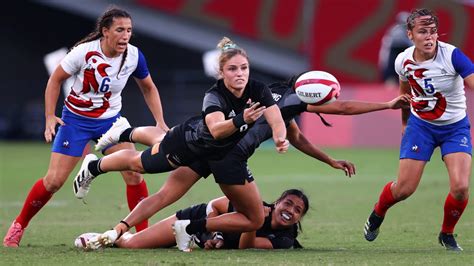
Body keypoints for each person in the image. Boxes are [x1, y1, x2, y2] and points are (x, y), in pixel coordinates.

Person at [76, 71, 410, 251]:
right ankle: (190, 228)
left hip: (208, 145)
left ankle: (114, 213)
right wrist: (386, 105)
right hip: (228, 156)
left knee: (160, 178)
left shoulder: (281, 98)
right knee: (251, 217)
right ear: (312, 93)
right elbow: (343, 108)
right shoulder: (293, 99)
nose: (331, 101)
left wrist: (329, 160)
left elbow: (295, 137)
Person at [72, 36, 289, 251]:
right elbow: (216, 130)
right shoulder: (214, 96)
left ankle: (164, 227)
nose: (240, 73)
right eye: (233, 69)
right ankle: (94, 167)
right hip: (190, 146)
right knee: (143, 168)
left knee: (252, 217)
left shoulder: (258, 89)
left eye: (244, 68)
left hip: (222, 156)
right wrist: (243, 119)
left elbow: (276, 118)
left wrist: (280, 137)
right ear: (221, 73)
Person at [3, 7, 169, 248]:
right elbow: (55, 80)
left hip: (112, 123)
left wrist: (160, 122)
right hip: (76, 122)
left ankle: (144, 235)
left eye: (129, 30)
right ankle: (18, 225)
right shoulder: (83, 52)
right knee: (54, 182)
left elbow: (149, 87)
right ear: (105, 32)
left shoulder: (134, 55)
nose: (126, 35)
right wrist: (50, 116)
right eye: (120, 30)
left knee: (134, 173)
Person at [363, 8, 474, 251]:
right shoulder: (403, 59)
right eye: (423, 32)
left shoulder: (452, 55)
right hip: (420, 127)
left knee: (461, 187)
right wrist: (404, 123)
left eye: (433, 32)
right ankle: (378, 213)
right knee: (404, 190)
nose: (429, 37)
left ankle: (447, 233)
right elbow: (404, 92)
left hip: (455, 128)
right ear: (410, 35)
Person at [76, 189, 309, 250]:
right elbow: (214, 205)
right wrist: (214, 234)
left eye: (297, 209)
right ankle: (109, 235)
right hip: (193, 221)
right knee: (133, 244)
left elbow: (246, 246)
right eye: (287, 203)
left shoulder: (285, 239)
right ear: (277, 202)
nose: (290, 210)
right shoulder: (254, 206)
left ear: (299, 217)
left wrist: (254, 222)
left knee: (152, 246)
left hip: (201, 240)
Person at [378, 11, 412, 85]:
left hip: (406, 54)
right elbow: (385, 50)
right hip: (393, 55)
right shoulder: (394, 31)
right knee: (391, 78)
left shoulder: (412, 32)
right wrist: (383, 64)